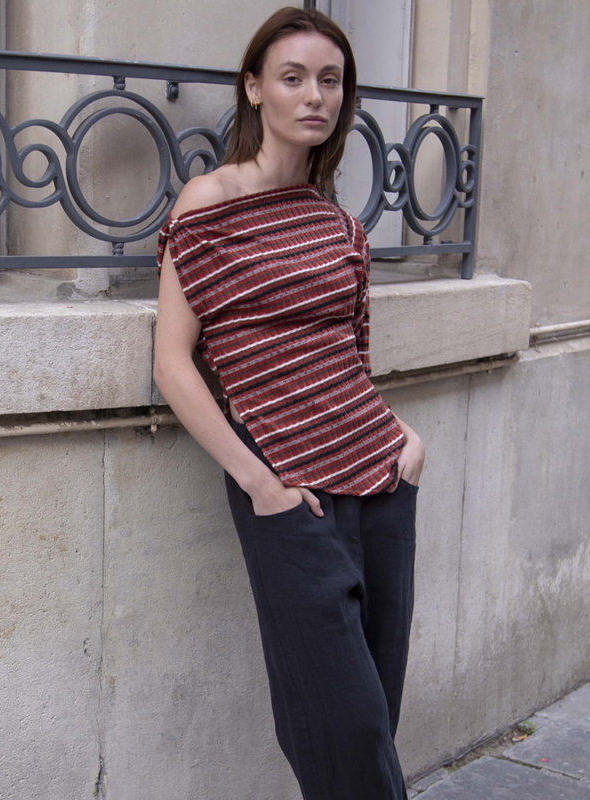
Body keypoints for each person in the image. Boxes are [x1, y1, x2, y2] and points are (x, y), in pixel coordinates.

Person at [153, 7, 425, 799]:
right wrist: (257, 482)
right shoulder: (210, 202)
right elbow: (173, 364)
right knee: (346, 723)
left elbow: (348, 358)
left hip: (380, 480)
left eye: (331, 80)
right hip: (286, 491)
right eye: (293, 77)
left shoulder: (342, 226)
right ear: (254, 88)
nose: (315, 95)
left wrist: (406, 444)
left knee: (374, 709)